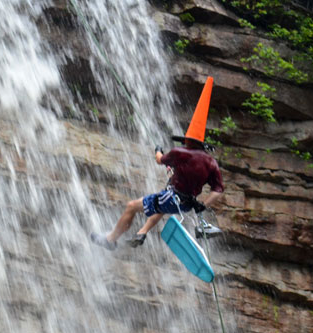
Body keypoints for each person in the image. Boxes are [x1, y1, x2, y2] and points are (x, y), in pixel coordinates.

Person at [91, 76, 224, 250]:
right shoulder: (211, 162)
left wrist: (158, 150)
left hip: (174, 198)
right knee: (160, 203)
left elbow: (160, 160)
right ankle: (142, 232)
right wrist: (203, 205)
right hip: (186, 203)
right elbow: (218, 190)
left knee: (132, 206)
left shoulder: (180, 152)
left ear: (188, 140)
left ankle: (110, 240)